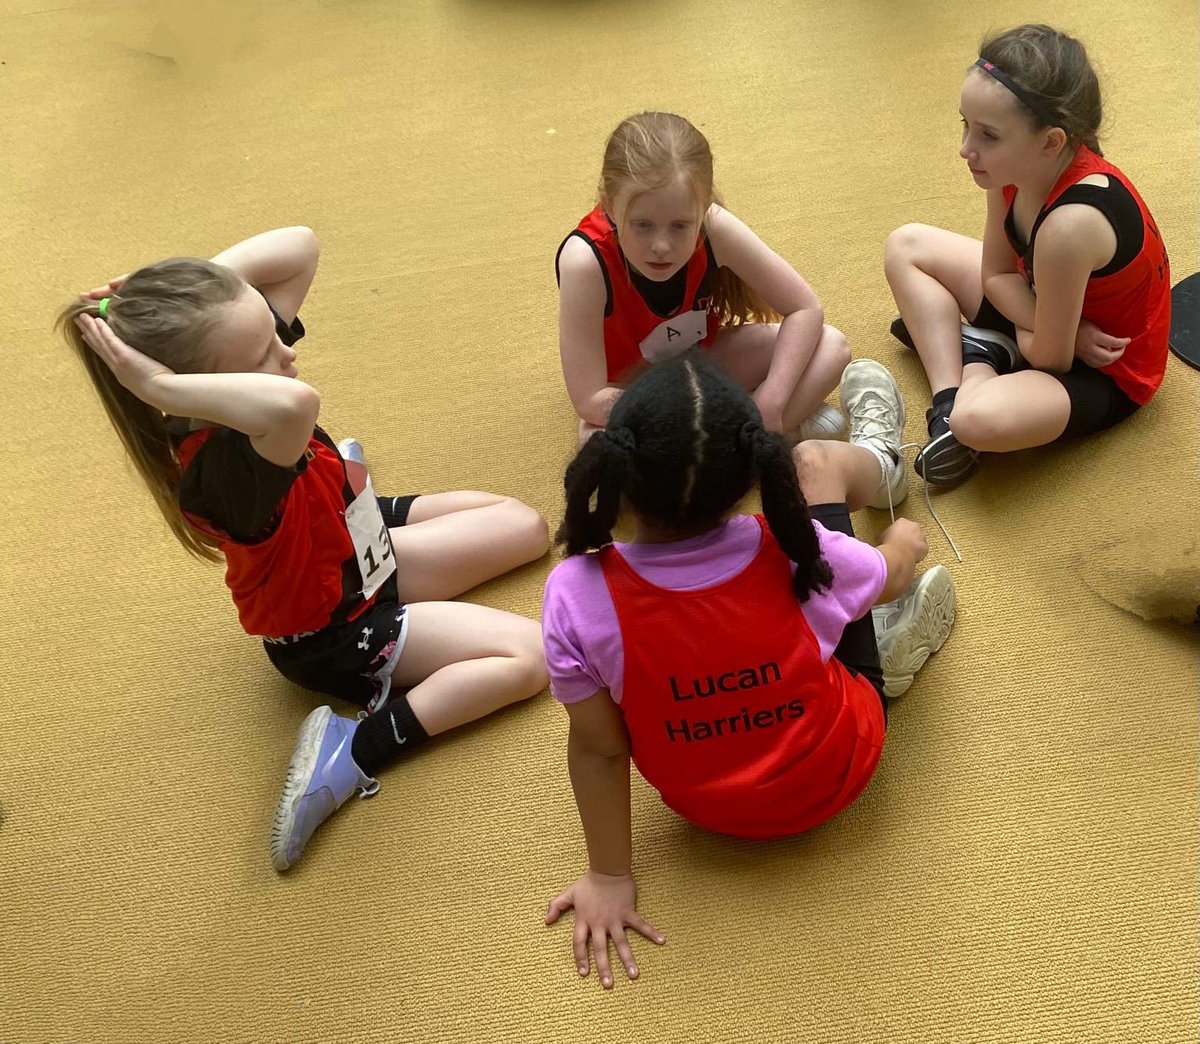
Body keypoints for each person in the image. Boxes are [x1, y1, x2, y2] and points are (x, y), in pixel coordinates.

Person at [58, 227, 550, 871]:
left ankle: (348, 499)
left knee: (525, 526)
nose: (285, 355)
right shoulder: (226, 467)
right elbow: (297, 403)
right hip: (335, 628)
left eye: (271, 333)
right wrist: (162, 389)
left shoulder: (241, 381)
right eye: (263, 354)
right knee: (530, 658)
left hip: (348, 543)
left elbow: (300, 247)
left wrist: (191, 300)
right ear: (200, 391)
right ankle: (353, 751)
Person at [541, 352, 956, 987]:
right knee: (817, 462)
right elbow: (889, 573)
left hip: (706, 807)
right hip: (845, 761)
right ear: (752, 477)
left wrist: (609, 874)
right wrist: (901, 545)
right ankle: (882, 463)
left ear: (619, 476)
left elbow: (599, 751)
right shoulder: (792, 546)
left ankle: (874, 614)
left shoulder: (575, 592)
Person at [884, 24, 1170, 487]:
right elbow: (995, 273)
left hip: (1101, 369)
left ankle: (975, 364)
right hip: (1056, 318)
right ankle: (950, 395)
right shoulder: (1010, 171)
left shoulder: (1070, 226)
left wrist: (1063, 335)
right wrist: (1068, 328)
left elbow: (1050, 358)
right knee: (905, 245)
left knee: (975, 421)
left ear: (1051, 141)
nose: (966, 149)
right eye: (966, 125)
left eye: (988, 135)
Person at [556, 110, 851, 445]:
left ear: (703, 206)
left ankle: (740, 441)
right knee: (595, 443)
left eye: (680, 226)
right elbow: (590, 399)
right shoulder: (585, 261)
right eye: (643, 225)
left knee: (833, 347)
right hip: (632, 392)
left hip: (702, 367)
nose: (661, 246)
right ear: (609, 206)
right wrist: (698, 408)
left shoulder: (715, 226)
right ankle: (751, 442)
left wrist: (772, 399)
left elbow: (805, 309)